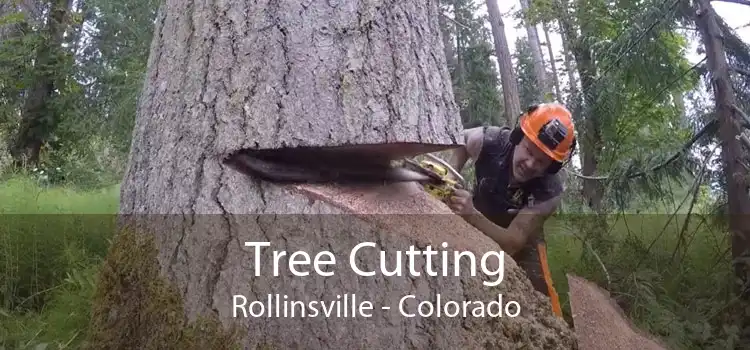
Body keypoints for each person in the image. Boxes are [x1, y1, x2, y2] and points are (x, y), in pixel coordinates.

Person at [445, 103, 577, 318]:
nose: (530, 163)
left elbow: (514, 242)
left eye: (541, 161)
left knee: (542, 297)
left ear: (552, 167)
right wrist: (450, 177)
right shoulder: (490, 141)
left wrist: (471, 216)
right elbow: (462, 140)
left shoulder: (549, 191)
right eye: (528, 151)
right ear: (517, 137)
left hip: (521, 239)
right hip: (479, 213)